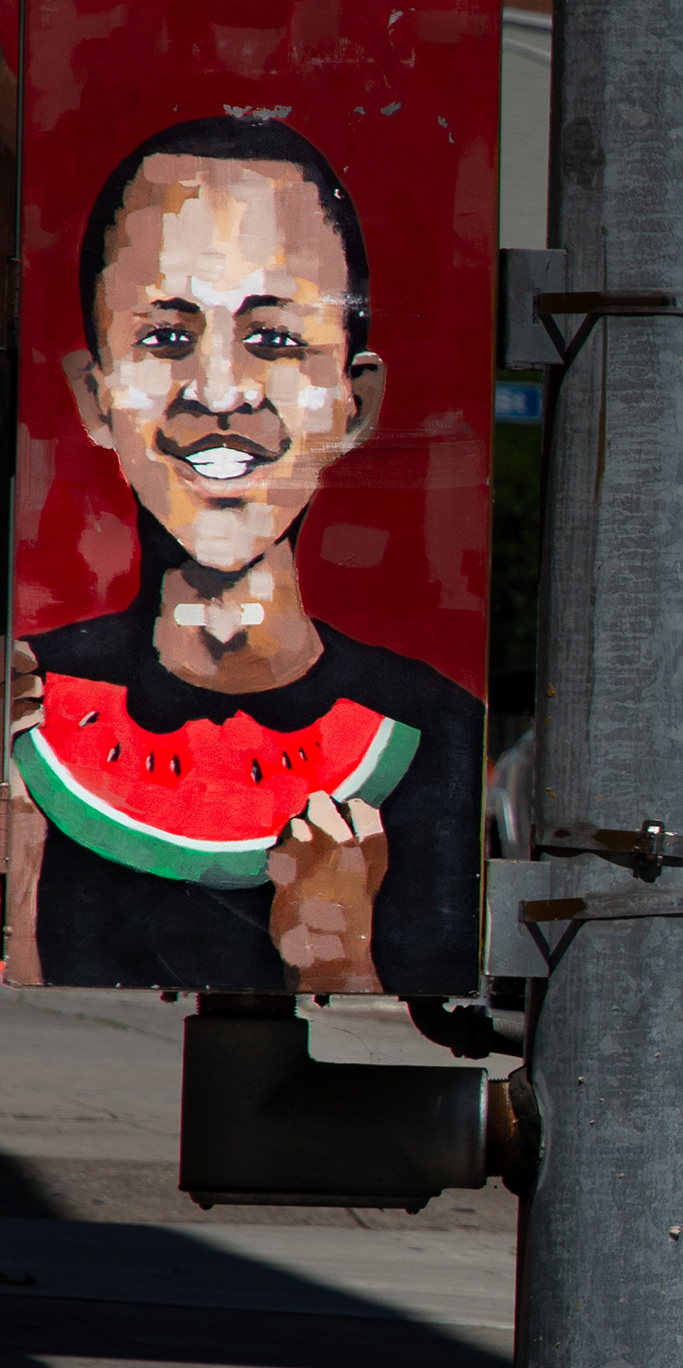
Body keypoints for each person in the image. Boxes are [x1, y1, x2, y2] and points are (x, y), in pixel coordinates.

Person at [6, 116, 483, 993]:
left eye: (274, 340)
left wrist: (339, 962)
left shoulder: (445, 738)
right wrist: (20, 868)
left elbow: (443, 1059)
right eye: (165, 337)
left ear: (354, 402)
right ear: (95, 396)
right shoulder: (22, 712)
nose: (220, 392)